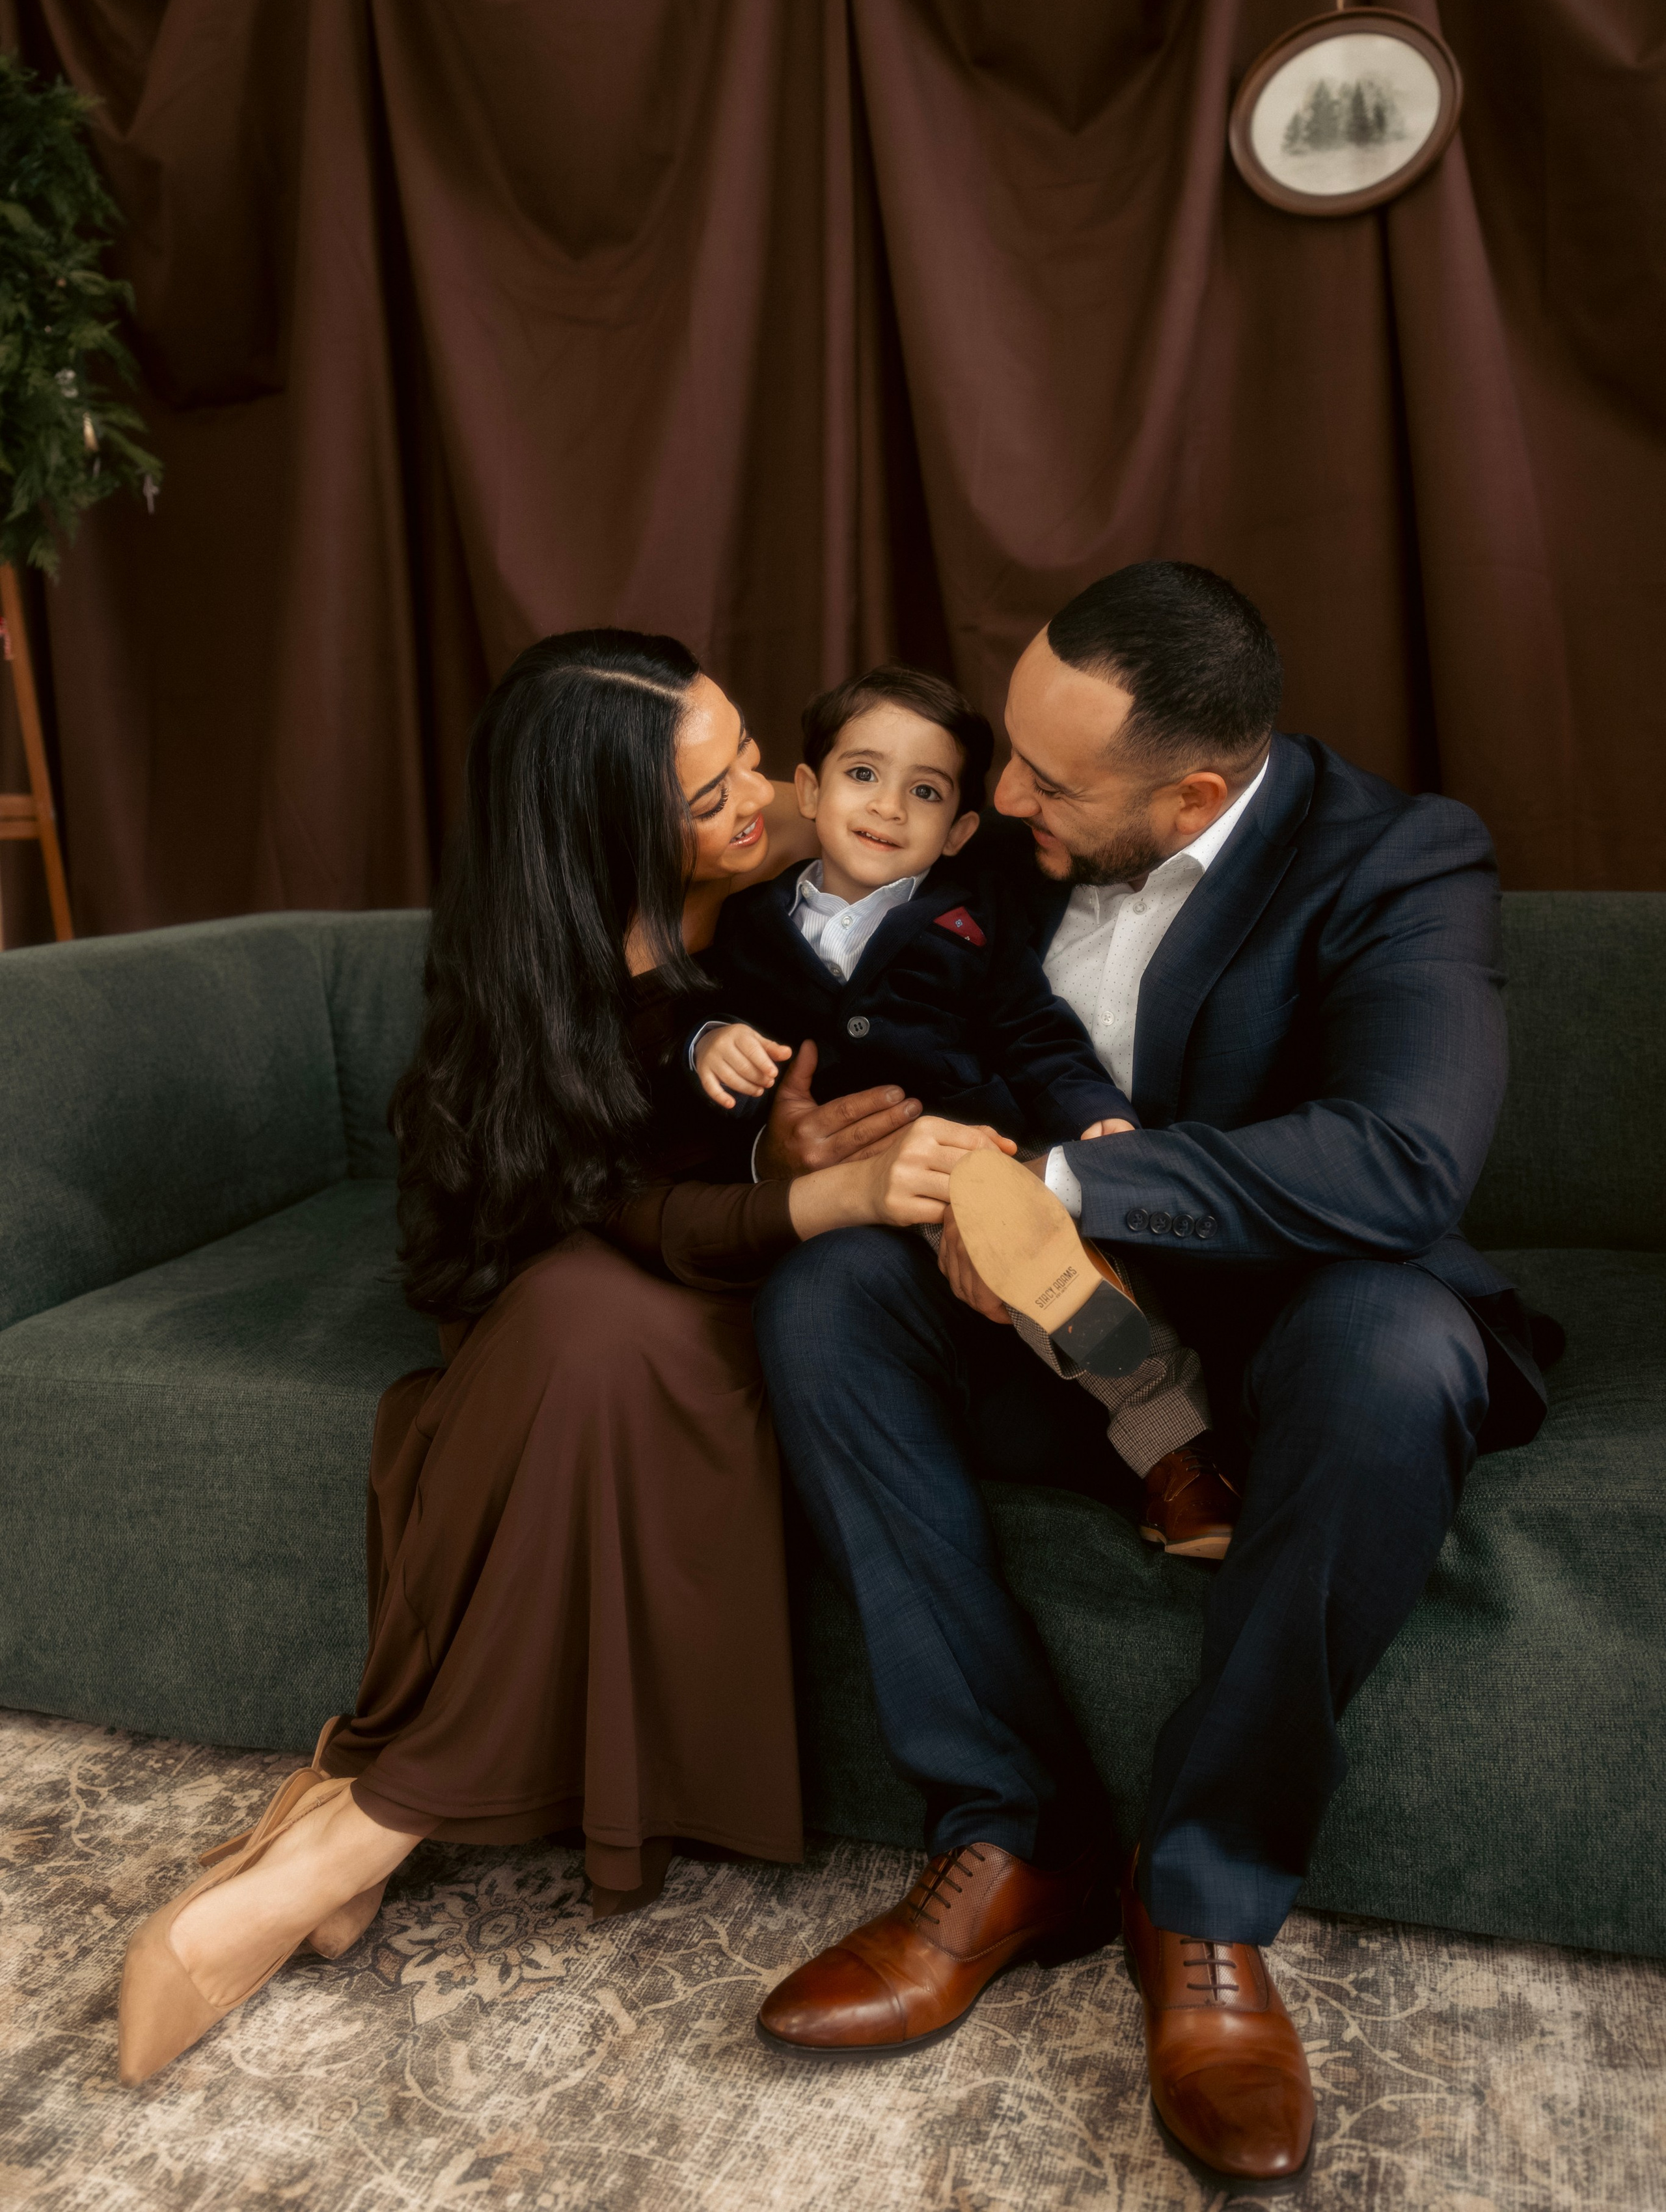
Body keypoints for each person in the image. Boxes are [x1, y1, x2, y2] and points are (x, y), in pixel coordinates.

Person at [115, 628, 1007, 2087]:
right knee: (582, 1317)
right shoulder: (546, 962)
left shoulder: (820, 872)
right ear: (604, 837)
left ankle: (360, 1815)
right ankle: (366, 1819)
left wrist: (790, 1160)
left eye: (749, 757)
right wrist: (802, 1187)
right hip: (570, 1276)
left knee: (602, 1329)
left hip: (721, 1287)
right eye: (712, 791)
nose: (768, 795)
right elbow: (595, 1211)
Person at [748, 564, 1545, 2187]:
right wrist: (800, 1134)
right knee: (825, 1295)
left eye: (1049, 784)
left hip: (1288, 1330)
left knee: (1395, 1346)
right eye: (1008, 756)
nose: (1002, 799)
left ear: (1192, 793)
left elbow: (1401, 1161)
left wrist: (1062, 1188)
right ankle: (1010, 1836)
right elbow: (855, 995)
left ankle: (1198, 1898)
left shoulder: (1399, 857)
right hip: (1035, 1330)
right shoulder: (1000, 845)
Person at [693, 661, 1240, 1551]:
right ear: (810, 789)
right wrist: (708, 1041)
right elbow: (698, 1027)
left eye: (926, 792)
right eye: (862, 774)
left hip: (972, 1156)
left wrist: (1095, 1111)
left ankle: (1176, 1452)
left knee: (1047, 1263)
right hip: (846, 1192)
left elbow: (1037, 1032)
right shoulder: (746, 927)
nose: (888, 808)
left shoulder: (970, 919)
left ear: (959, 832)